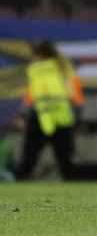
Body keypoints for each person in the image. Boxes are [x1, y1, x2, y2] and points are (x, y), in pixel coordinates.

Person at [14, 41, 83, 180]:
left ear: (39, 54)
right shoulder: (64, 67)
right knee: (66, 159)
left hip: (39, 116)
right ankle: (74, 188)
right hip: (61, 117)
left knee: (29, 157)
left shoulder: (33, 69)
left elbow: (30, 94)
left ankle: (19, 183)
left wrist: (21, 114)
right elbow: (76, 95)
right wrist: (78, 114)